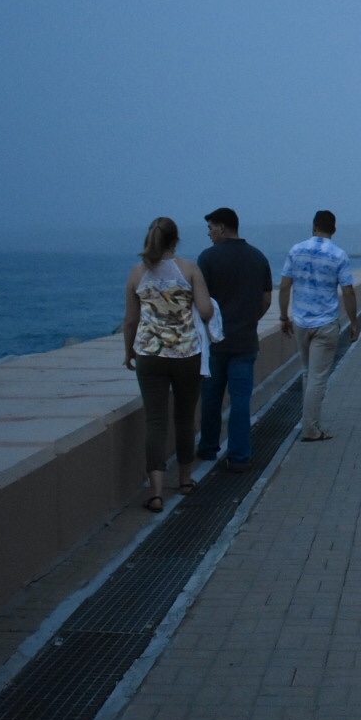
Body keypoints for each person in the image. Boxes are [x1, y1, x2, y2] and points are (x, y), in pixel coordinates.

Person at [122, 216, 213, 513]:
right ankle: (185, 481)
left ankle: (157, 492)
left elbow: (131, 320)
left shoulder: (138, 274)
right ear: (176, 240)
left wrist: (129, 352)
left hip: (150, 355)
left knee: (156, 422)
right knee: (185, 419)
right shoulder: (189, 269)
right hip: (187, 355)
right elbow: (205, 311)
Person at [196, 207, 273, 473]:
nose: (209, 233)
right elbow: (266, 299)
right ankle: (239, 456)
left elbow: (200, 302)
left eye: (210, 228)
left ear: (221, 227)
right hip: (245, 340)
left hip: (215, 343)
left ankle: (208, 448)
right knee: (240, 400)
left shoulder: (207, 259)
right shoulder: (258, 257)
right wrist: (250, 320)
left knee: (211, 398)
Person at [278, 209, 359, 442]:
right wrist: (354, 322)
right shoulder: (339, 255)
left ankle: (309, 421)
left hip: (301, 322)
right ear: (334, 229)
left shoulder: (296, 250)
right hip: (325, 323)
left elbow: (284, 286)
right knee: (318, 377)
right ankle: (311, 428)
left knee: (308, 373)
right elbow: (348, 291)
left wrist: (284, 317)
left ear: (313, 226)